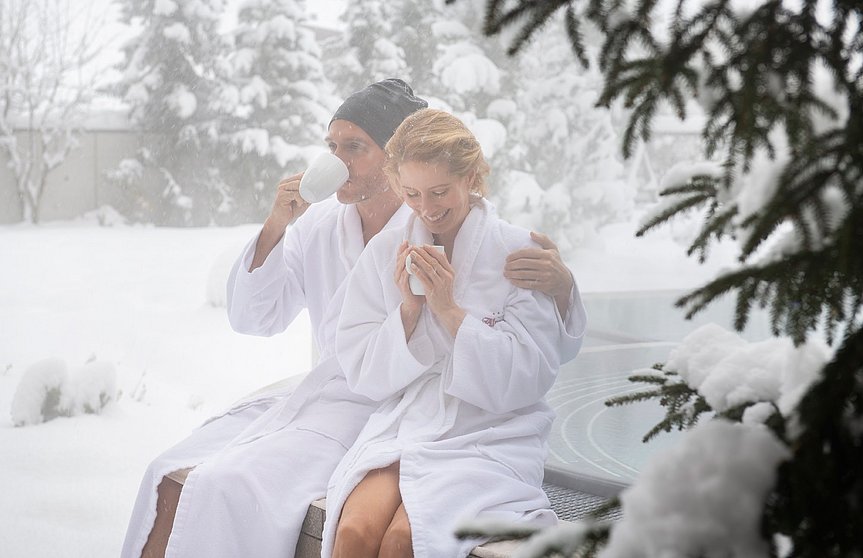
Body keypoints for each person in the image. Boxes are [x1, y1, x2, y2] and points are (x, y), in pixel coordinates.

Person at [121, 80, 582, 558]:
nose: (336, 161)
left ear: (392, 158)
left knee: (227, 483)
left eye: (353, 147)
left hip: (400, 409)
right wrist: (278, 224)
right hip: (342, 393)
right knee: (169, 477)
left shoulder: (462, 229)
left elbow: (544, 352)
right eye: (331, 147)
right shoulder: (324, 226)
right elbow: (255, 317)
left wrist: (562, 287)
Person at [322, 108, 587, 558]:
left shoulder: (517, 254)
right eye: (411, 193)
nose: (427, 208)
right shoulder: (389, 250)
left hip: (492, 430)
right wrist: (408, 311)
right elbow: (359, 366)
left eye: (440, 191)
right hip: (409, 422)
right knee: (352, 534)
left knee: (406, 540)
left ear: (471, 178)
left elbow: (530, 375)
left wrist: (449, 311)